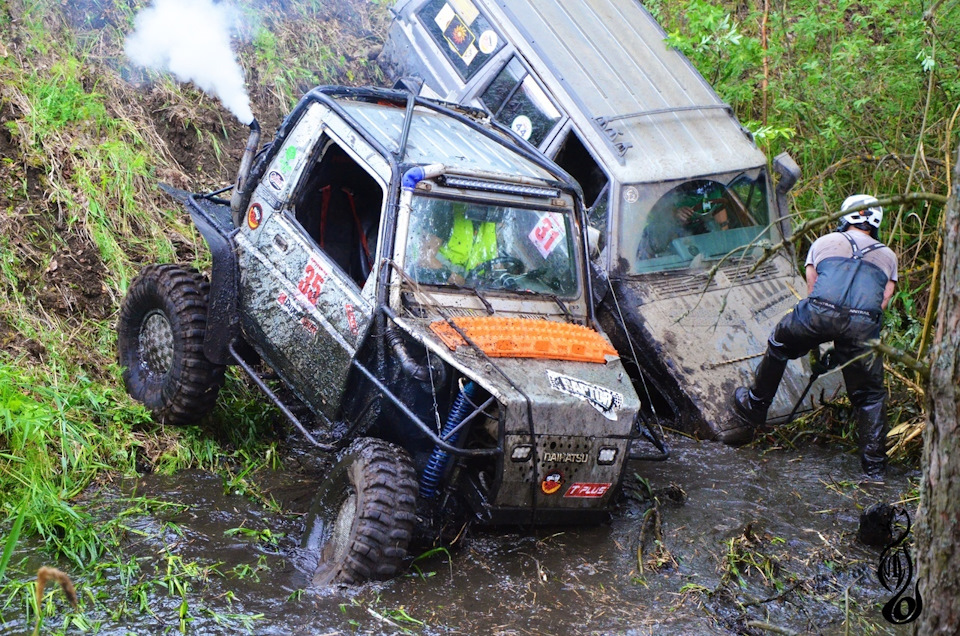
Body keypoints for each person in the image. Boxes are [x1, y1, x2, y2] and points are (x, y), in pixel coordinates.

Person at [725, 194, 898, 478]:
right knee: (870, 396)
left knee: (780, 342)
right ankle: (875, 470)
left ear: (844, 218)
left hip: (817, 315)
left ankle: (755, 406)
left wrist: (821, 336)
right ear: (876, 225)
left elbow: (813, 290)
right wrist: (845, 342)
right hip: (862, 326)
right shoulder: (889, 257)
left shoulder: (823, 243)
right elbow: (880, 303)